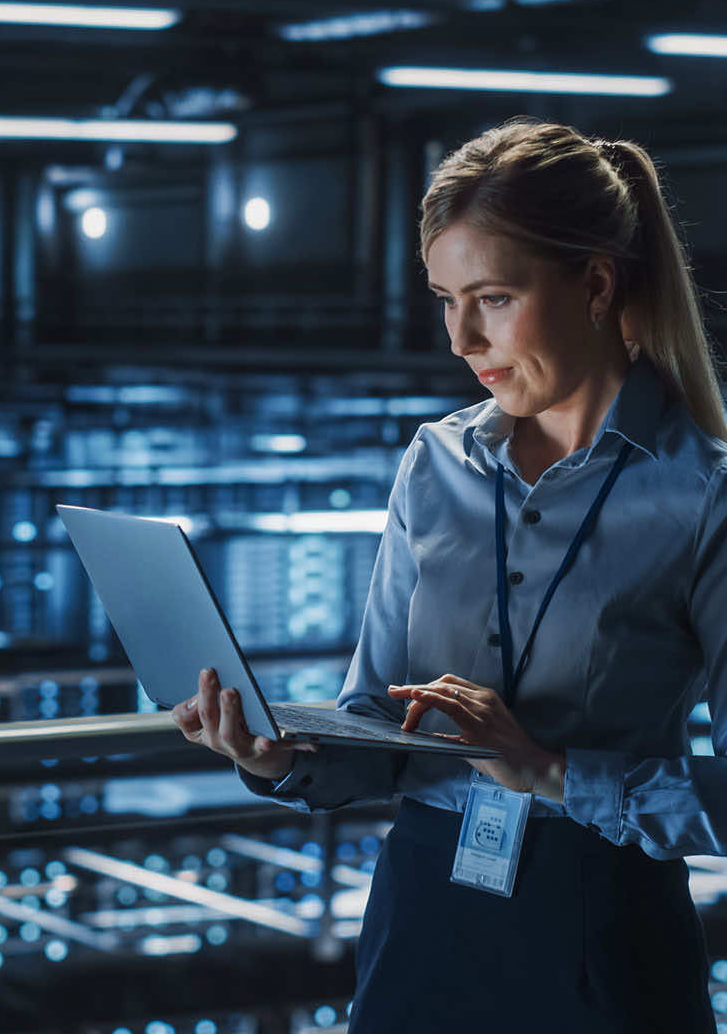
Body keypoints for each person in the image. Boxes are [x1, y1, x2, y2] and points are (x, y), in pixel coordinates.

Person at [170, 118, 727, 1033]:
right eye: (444, 297)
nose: (462, 337)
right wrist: (277, 760)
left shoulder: (703, 494)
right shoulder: (434, 463)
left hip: (600, 927)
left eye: (494, 298)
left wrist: (548, 770)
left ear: (594, 283)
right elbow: (376, 720)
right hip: (422, 913)